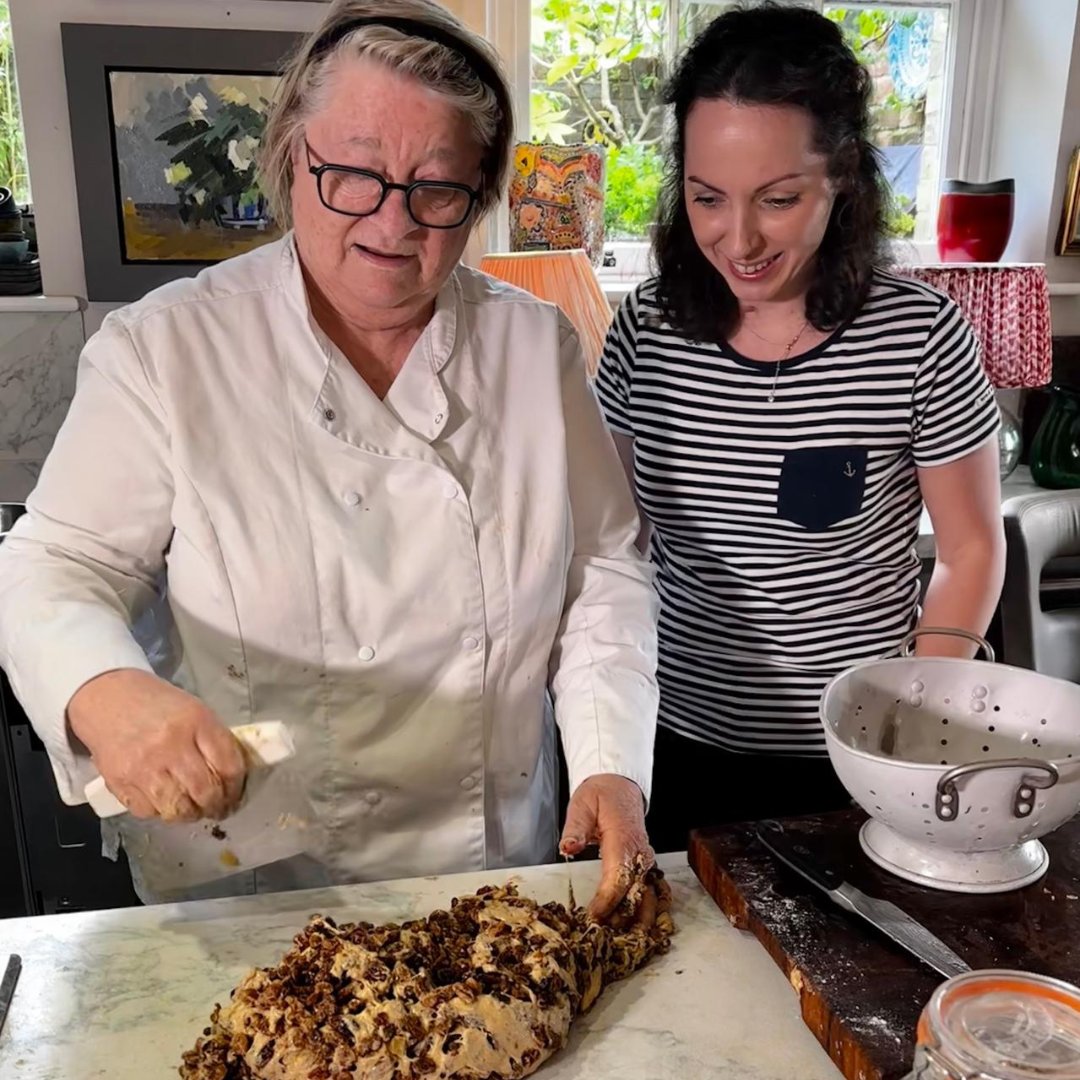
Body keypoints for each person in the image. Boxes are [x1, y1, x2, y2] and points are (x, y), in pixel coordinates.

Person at [0, 0, 659, 911]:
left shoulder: (532, 349)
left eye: (439, 190)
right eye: (352, 173)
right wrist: (104, 690)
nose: (392, 226)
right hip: (256, 873)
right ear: (289, 160)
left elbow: (601, 574)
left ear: (480, 194)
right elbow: (53, 563)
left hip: (495, 864)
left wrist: (610, 762)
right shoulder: (167, 350)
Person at [595, 2, 1005, 854]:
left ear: (845, 176)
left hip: (859, 753)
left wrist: (909, 715)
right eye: (707, 198)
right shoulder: (646, 330)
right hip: (676, 740)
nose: (737, 239)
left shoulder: (920, 334)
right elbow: (611, 546)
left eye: (778, 200)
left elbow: (970, 551)